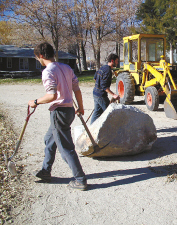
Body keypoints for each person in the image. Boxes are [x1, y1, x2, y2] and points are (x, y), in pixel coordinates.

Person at [28, 42, 87, 191]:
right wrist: (80, 107)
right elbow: (77, 90)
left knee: (66, 148)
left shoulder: (48, 71)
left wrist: (35, 102)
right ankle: (46, 171)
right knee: (49, 139)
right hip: (68, 111)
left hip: (59, 113)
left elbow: (51, 95)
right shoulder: (67, 68)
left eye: (37, 58)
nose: (38, 60)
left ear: (41, 56)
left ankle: (80, 179)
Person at [90, 53, 120, 124]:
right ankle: (111, 129)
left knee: (97, 112)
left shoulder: (103, 67)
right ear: (112, 61)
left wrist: (99, 85)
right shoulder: (108, 71)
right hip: (101, 95)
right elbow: (104, 86)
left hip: (95, 93)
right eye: (116, 61)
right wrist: (114, 95)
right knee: (109, 112)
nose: (117, 62)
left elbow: (95, 78)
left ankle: (91, 129)